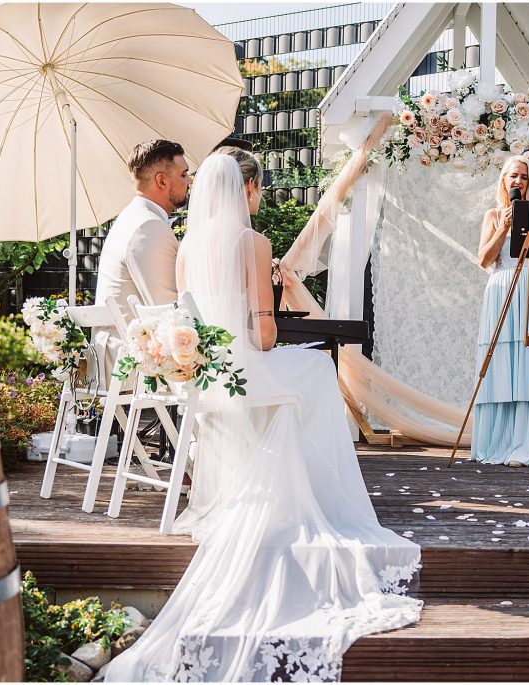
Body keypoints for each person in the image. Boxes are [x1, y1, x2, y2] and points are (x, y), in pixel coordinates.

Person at [103, 150, 421, 682]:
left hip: (213, 380)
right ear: (245, 192)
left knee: (304, 375)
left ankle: (277, 480)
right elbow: (266, 335)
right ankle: (314, 494)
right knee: (318, 372)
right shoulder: (254, 244)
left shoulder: (186, 250)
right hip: (247, 374)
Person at [471, 155, 529, 468]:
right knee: (500, 366)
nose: (519, 182)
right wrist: (504, 227)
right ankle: (497, 442)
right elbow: (484, 259)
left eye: (524, 177)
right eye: (514, 176)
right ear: (504, 180)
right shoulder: (493, 214)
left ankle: (528, 445)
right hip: (502, 290)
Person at [93, 140, 191, 379]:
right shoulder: (148, 226)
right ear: (162, 181)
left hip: (115, 363)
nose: (189, 181)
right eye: (184, 174)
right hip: (135, 372)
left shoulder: (130, 218)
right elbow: (168, 312)